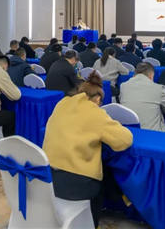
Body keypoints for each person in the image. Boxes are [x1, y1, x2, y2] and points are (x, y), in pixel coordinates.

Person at [43, 72, 133, 227]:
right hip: (74, 185)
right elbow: (124, 140)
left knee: (101, 166)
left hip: (48, 177)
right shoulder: (95, 112)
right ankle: (94, 222)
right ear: (98, 99)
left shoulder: (62, 103)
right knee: (103, 176)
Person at [120, 62, 165, 131]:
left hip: (128, 131)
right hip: (152, 133)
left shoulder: (123, 86)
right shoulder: (157, 88)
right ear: (151, 75)